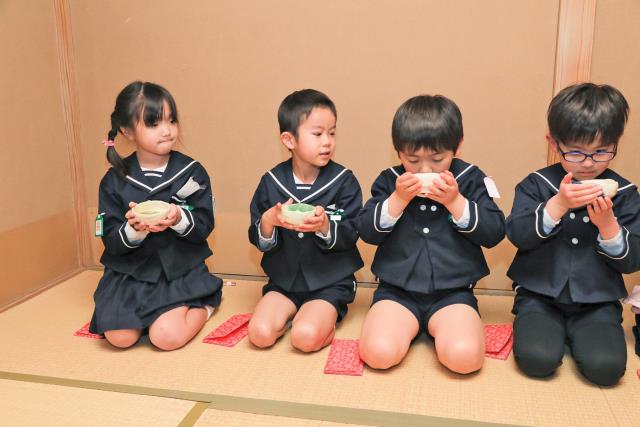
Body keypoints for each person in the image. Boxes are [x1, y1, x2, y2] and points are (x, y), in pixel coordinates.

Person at [357, 95, 505, 373]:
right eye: (412, 159)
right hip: (396, 292)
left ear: (457, 147)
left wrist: (455, 201)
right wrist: (397, 199)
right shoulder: (390, 179)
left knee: (465, 359)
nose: (425, 169)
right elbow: (366, 230)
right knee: (378, 354)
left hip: (454, 293)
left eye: (437, 159)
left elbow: (495, 232)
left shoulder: (472, 178)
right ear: (398, 152)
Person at [506, 83, 640, 386]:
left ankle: (584, 334)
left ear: (616, 142)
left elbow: (632, 261)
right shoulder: (537, 184)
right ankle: (547, 331)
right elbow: (517, 234)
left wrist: (608, 225)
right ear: (554, 143)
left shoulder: (627, 193)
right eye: (576, 152)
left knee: (606, 370)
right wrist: (558, 205)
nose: (589, 163)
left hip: (597, 301)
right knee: (537, 361)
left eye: (602, 151)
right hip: (539, 295)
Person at [90, 81, 222, 350]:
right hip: (130, 272)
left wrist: (178, 218)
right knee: (119, 338)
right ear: (127, 131)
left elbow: (205, 225)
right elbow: (111, 240)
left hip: (178, 270)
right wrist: (133, 229)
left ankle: (205, 304)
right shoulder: (113, 180)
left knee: (166, 338)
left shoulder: (191, 171)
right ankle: (150, 316)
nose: (167, 130)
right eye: (153, 124)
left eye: (171, 120)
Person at [248, 89, 363, 352]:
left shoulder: (343, 181)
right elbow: (259, 238)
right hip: (284, 280)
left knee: (305, 338)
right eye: (317, 133)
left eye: (332, 133)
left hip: (330, 282)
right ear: (289, 140)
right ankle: (297, 315)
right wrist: (268, 221)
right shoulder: (271, 181)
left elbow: (353, 230)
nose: (327, 142)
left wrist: (324, 227)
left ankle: (321, 320)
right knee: (259, 334)